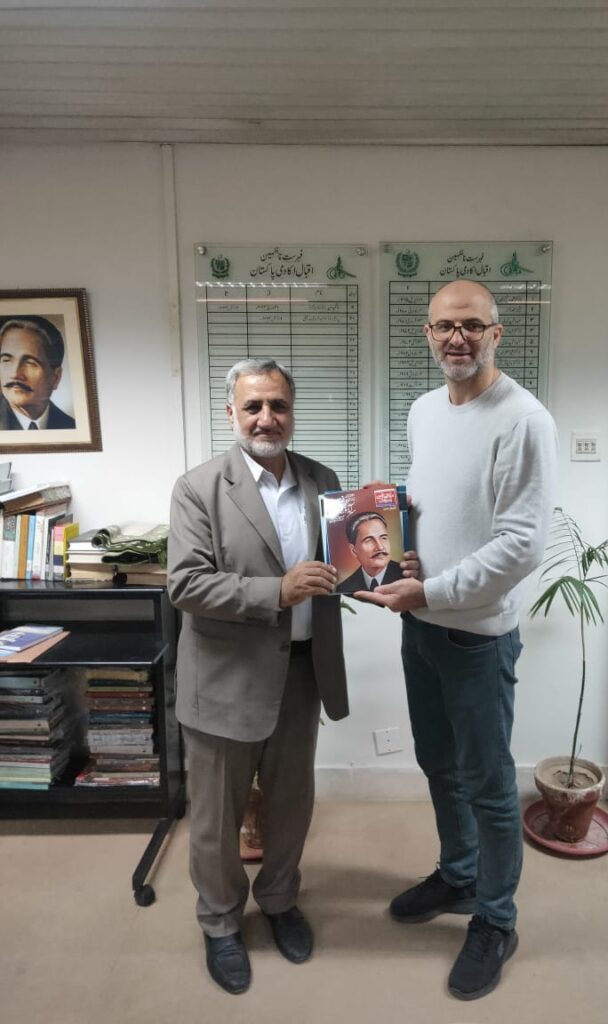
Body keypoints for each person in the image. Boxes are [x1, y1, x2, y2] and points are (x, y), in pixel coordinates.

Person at [358, 280, 558, 1001]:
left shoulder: (524, 420)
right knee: (439, 763)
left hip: (475, 638)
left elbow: (520, 545)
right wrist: (402, 543)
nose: (457, 338)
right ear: (428, 333)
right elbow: (442, 511)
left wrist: (432, 590)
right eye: (445, 326)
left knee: (490, 786)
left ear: (496, 334)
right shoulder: (423, 411)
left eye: (472, 325)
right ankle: (460, 874)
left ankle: (496, 920)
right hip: (422, 627)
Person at [167, 357, 349, 995]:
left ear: (292, 412)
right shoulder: (198, 488)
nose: (266, 418)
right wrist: (278, 591)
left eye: (278, 405)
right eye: (253, 406)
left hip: (302, 672)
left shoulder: (324, 481)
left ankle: (278, 900)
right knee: (216, 817)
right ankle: (220, 921)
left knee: (292, 803)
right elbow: (186, 585)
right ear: (232, 414)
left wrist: (386, 563)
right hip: (224, 678)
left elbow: (344, 565)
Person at [0, 316, 76, 429]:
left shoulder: (71, 426)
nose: (15, 374)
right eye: (6, 360)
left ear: (56, 378)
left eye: (30, 363)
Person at [339, 511, 403, 594]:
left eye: (383, 538)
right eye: (369, 540)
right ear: (353, 550)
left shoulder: (406, 576)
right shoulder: (344, 588)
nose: (380, 547)